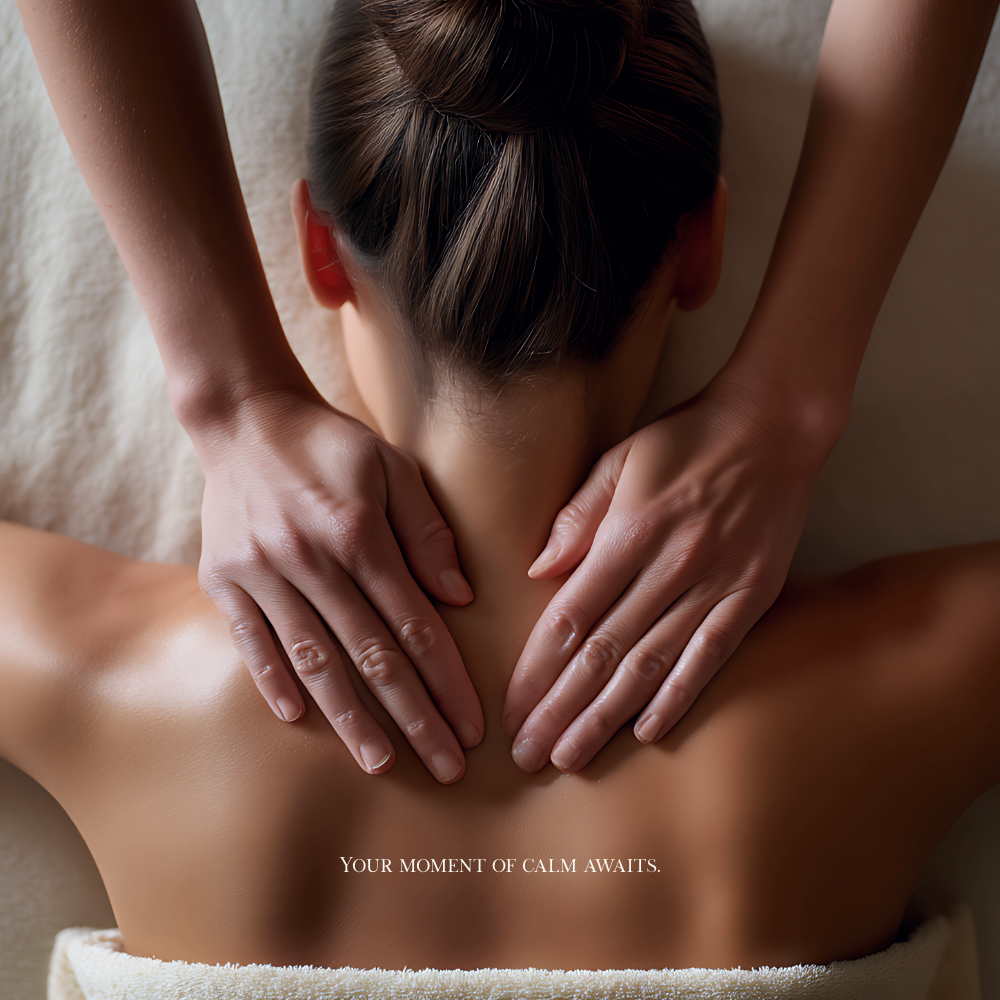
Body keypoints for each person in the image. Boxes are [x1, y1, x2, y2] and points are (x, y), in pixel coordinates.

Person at [2, 0, 999, 983]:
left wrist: (225, 391)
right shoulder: (896, 682)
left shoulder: (122, 683)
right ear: (702, 245)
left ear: (318, 247)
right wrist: (792, 395)